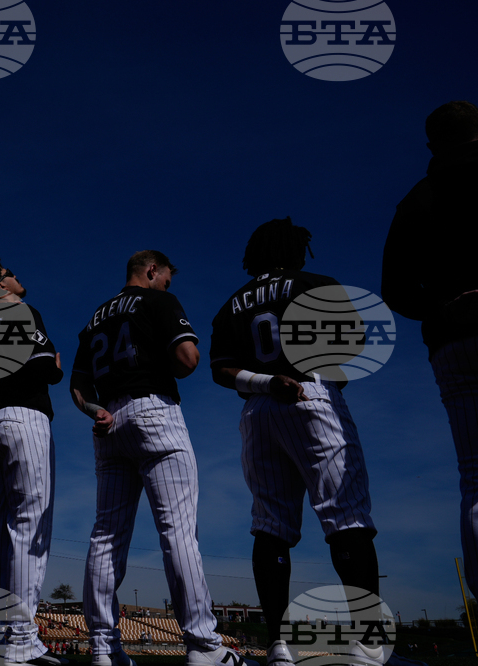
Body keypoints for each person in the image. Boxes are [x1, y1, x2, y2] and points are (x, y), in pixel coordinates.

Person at [210, 219, 424, 666]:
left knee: (270, 525)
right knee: (346, 517)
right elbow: (350, 347)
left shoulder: (232, 303)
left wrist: (265, 381)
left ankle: (277, 647)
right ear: (294, 250)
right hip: (311, 396)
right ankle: (369, 647)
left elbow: (221, 371)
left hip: (256, 409)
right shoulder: (314, 283)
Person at [71, 250, 253, 666]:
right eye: (166, 277)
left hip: (108, 420)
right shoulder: (158, 301)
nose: (168, 284)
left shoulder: (95, 317)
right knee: (177, 532)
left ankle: (103, 647)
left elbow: (78, 385)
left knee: (106, 536)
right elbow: (188, 360)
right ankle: (204, 646)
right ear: (152, 270)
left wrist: (94, 411)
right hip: (154, 412)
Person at [382, 100, 478, 598]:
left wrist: (443, 310)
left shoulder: (416, 201)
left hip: (452, 340)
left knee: (476, 479)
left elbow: (395, 290)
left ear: (429, 145)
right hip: (453, 335)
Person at [0, 256, 64, 666]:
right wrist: (54, 366)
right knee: (29, 527)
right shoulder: (19, 308)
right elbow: (42, 366)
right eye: (10, 272)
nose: (18, 276)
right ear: (0, 285)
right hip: (23, 419)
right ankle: (21, 639)